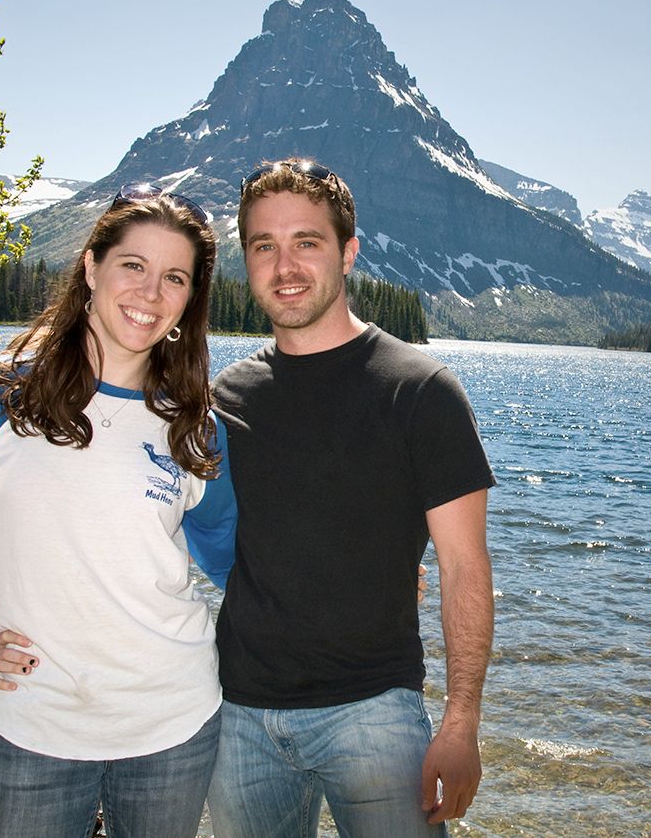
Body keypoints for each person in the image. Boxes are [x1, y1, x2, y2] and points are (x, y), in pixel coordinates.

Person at [0, 185, 238, 837]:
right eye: (133, 265)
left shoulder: (195, 427)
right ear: (91, 267)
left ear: (188, 301)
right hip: (36, 731)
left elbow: (241, 565)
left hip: (175, 726)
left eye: (174, 277)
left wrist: (360, 587)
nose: (150, 292)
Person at [207, 159, 496, 837]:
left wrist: (461, 723)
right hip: (239, 718)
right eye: (263, 247)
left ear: (348, 251)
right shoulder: (226, 400)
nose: (285, 267)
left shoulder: (419, 390)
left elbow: (464, 569)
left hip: (374, 715)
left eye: (307, 242)